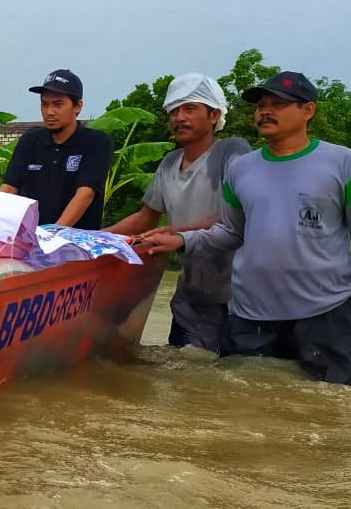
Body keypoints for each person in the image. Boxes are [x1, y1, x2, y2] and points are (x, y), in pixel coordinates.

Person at [144, 71, 351, 383]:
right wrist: (182, 240)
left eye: (278, 104)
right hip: (250, 314)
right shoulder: (242, 169)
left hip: (324, 312)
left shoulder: (344, 164)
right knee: (244, 406)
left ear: (308, 110)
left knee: (323, 407)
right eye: (261, 105)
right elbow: (231, 232)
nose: (265, 111)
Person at [107, 73, 250, 350]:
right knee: (184, 374)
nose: (179, 117)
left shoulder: (233, 152)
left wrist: (174, 232)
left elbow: (238, 215)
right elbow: (146, 218)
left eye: (189, 109)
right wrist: (92, 236)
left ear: (214, 115)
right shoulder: (170, 162)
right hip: (192, 295)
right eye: (174, 110)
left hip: (237, 296)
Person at [0, 69, 113, 229]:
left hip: (76, 244)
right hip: (30, 241)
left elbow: (85, 193)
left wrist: (53, 235)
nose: (49, 112)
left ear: (78, 106)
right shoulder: (30, 141)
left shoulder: (96, 142)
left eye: (58, 104)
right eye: (44, 104)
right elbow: (9, 188)